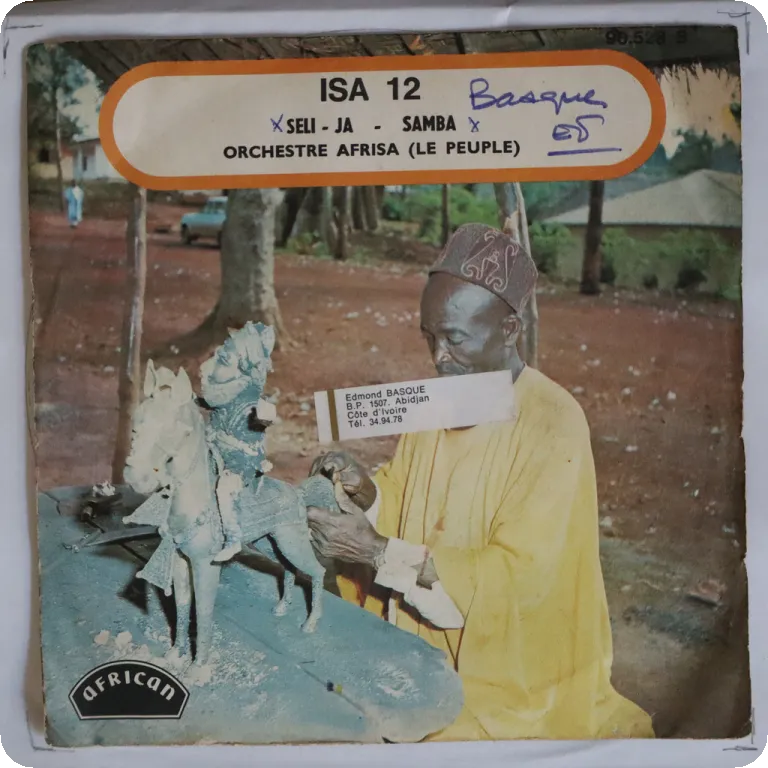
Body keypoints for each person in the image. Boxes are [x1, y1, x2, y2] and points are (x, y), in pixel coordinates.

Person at [307, 222, 655, 741]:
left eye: (454, 338)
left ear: (510, 329)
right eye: (429, 337)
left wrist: (377, 553)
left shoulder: (554, 420)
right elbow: (405, 496)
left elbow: (520, 579)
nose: (438, 357)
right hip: (422, 630)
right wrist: (367, 492)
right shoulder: (443, 396)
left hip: (511, 668)